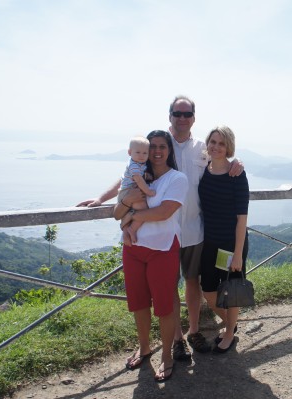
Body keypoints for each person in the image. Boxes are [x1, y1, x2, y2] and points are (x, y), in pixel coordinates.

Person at [77, 95, 244, 359]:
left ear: (193, 118)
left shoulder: (203, 147)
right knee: (168, 287)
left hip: (194, 228)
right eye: (177, 113)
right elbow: (129, 175)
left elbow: (221, 159)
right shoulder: (158, 145)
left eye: (187, 114)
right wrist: (101, 198)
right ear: (169, 116)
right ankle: (176, 338)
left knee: (192, 283)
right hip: (163, 231)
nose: (182, 118)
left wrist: (236, 163)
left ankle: (194, 330)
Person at [113, 130, 188, 381]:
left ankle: (166, 355)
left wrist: (131, 215)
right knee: (139, 302)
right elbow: (115, 213)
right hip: (133, 249)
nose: (156, 151)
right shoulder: (134, 177)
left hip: (163, 249)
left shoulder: (177, 179)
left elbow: (164, 212)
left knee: (165, 305)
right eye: (152, 146)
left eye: (162, 147)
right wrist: (127, 203)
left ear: (169, 150)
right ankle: (145, 347)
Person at [198, 125, 249, 353]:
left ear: (228, 146)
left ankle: (229, 332)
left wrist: (238, 253)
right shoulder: (204, 169)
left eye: (221, 143)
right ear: (207, 144)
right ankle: (232, 323)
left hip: (231, 243)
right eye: (213, 142)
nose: (216, 147)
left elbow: (241, 218)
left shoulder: (236, 174)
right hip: (209, 241)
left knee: (231, 290)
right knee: (208, 290)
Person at [118, 136, 156, 246]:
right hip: (127, 192)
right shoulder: (133, 165)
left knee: (134, 211)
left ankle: (126, 227)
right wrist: (149, 191)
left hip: (127, 191)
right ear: (130, 152)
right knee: (144, 211)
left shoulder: (139, 164)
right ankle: (132, 229)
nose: (141, 156)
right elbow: (138, 180)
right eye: (138, 152)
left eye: (145, 153)